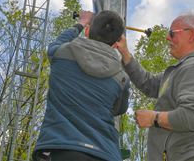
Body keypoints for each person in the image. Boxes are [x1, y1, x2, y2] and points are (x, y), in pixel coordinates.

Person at [115, 13, 194, 161]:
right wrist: (125, 54)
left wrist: (154, 118)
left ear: (191, 35)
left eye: (172, 33)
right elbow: (149, 84)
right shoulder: (180, 70)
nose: (167, 38)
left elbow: (192, 117)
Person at [33, 10, 130, 161]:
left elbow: (57, 43)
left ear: (87, 30)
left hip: (61, 149)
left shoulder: (61, 54)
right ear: (117, 43)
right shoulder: (122, 78)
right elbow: (119, 109)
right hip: (105, 154)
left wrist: (81, 22)